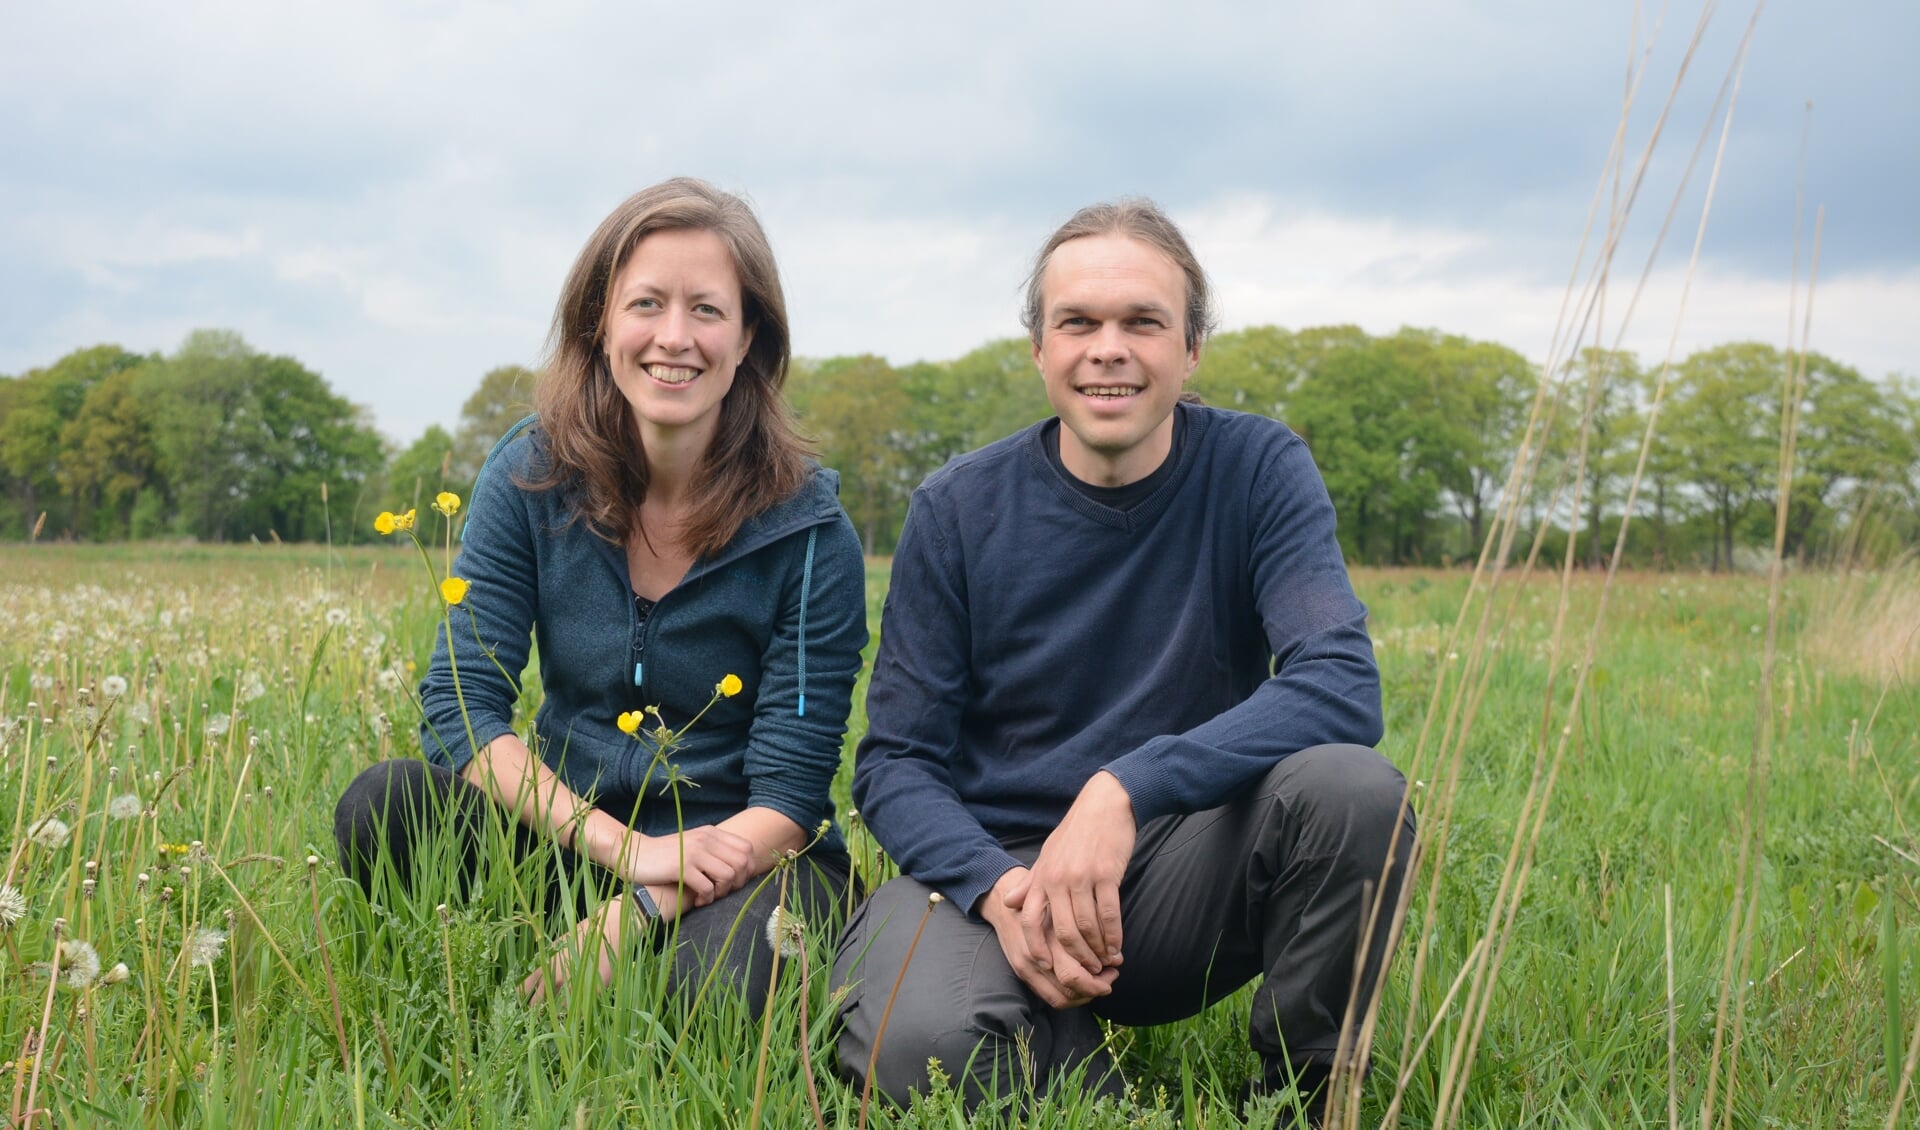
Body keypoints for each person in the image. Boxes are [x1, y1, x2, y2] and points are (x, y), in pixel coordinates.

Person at [832, 198, 1415, 1120]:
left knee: (1353, 791)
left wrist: (1124, 789)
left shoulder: (1259, 468)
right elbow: (896, 762)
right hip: (996, 872)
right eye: (1079, 322)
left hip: (1172, 864)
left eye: (1144, 321)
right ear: (1039, 349)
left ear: (1190, 351)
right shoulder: (956, 509)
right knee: (919, 1052)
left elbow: (1339, 684)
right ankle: (1077, 1068)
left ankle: (1301, 1098)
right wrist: (997, 888)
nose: (1110, 348)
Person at [334, 177, 867, 1011]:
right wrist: (623, 851)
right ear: (601, 323)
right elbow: (462, 707)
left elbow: (790, 801)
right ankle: (500, 979)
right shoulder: (529, 473)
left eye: (708, 310)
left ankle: (657, 964)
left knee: (712, 994)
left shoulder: (811, 532)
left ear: (749, 337)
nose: (674, 338)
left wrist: (649, 899)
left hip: (747, 865)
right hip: (571, 836)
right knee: (387, 804)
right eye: (647, 303)